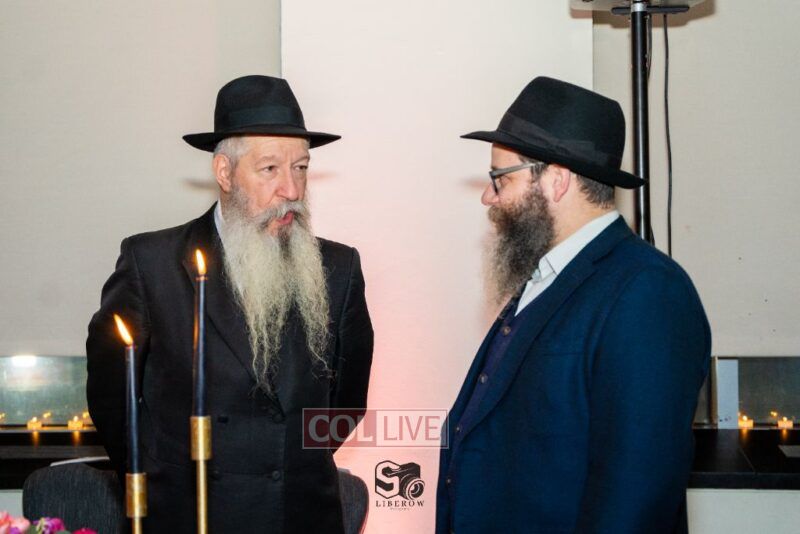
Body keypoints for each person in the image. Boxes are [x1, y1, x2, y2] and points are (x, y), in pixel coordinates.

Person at [86, 75, 374, 533]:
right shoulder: (152, 264)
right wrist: (162, 482)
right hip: (190, 515)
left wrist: (290, 464)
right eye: (270, 169)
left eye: (301, 168)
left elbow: (347, 404)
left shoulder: (339, 268)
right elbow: (112, 397)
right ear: (224, 172)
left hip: (299, 516)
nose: (292, 190)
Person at [436, 77, 710, 533]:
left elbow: (635, 494)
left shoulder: (648, 292)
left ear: (557, 180)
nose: (488, 196)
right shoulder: (547, 276)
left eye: (501, 179)